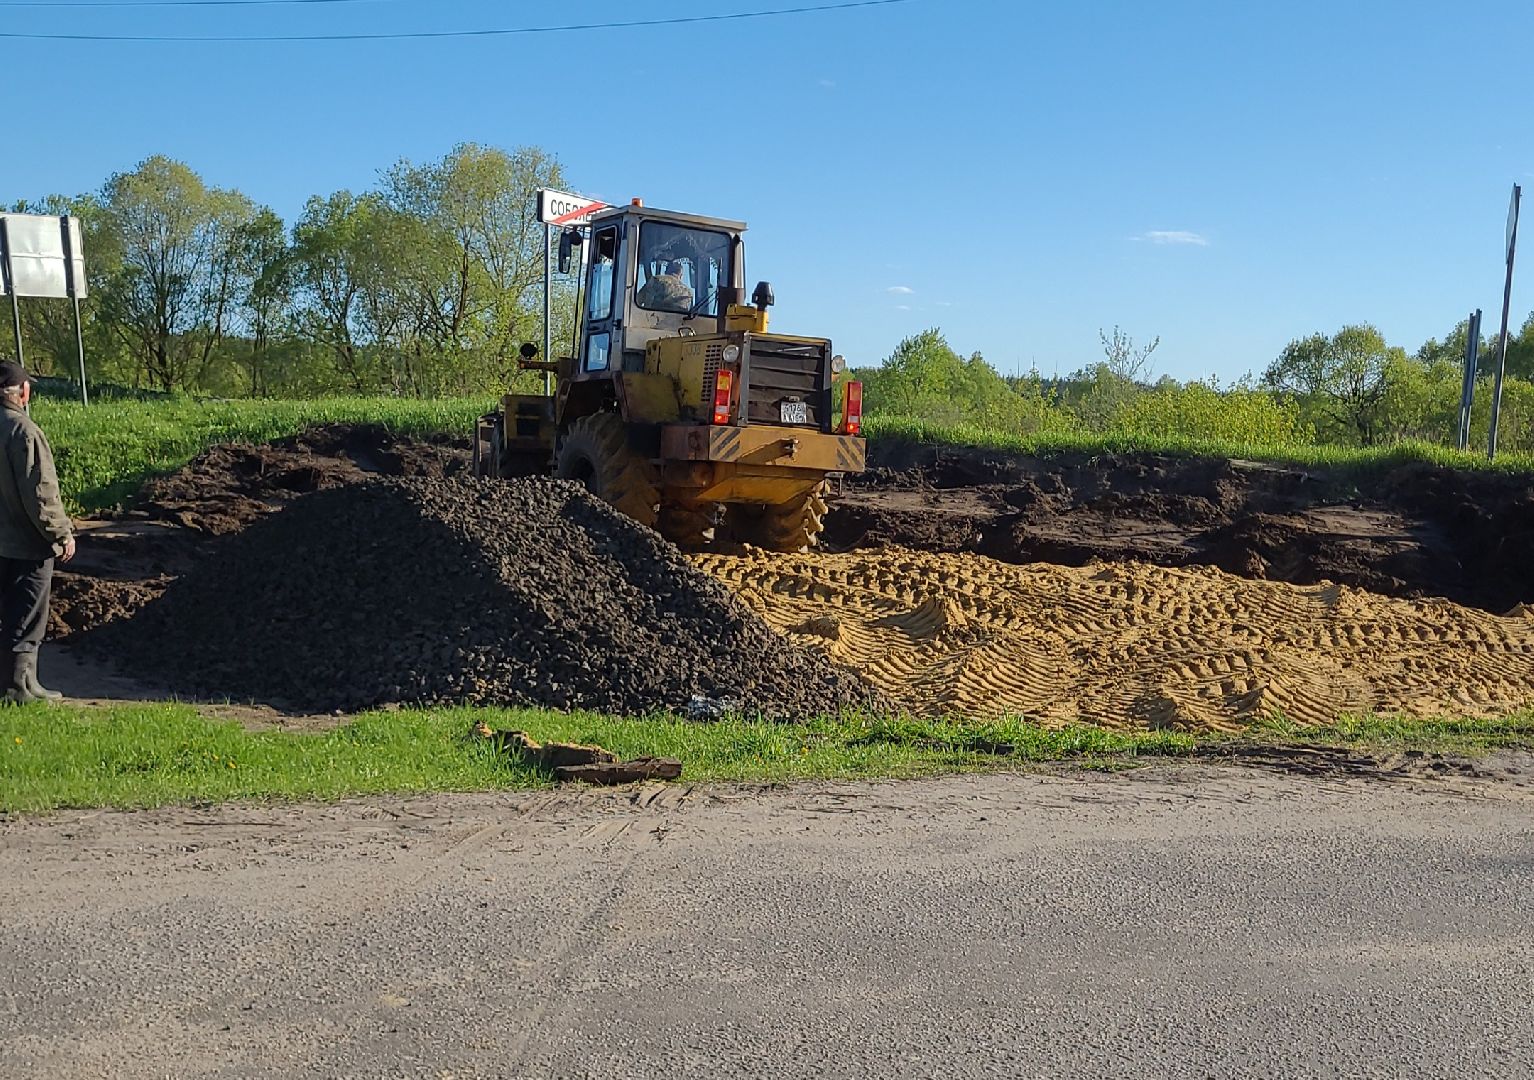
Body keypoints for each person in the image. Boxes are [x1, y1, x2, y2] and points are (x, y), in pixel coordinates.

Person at [0, 361, 74, 703]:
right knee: (26, 614)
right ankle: (20, 686)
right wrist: (61, 534)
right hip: (26, 544)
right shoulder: (23, 431)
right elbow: (40, 493)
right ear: (23, 392)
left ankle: (23, 684)